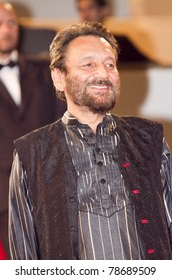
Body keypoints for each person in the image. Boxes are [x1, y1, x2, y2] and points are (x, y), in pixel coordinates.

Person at [9, 21, 172, 260]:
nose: (103, 74)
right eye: (88, 64)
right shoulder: (31, 152)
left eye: (110, 64)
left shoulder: (149, 138)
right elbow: (23, 251)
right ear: (58, 77)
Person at [0, 2, 66, 259]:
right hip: (4, 195)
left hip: (51, 187)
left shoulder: (46, 72)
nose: (6, 29)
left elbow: (63, 123)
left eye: (11, 22)